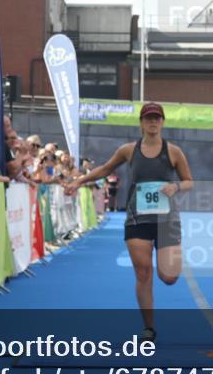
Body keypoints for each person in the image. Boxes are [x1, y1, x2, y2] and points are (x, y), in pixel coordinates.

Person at [65, 102, 193, 342]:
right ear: (141, 123)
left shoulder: (173, 152)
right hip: (137, 219)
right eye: (148, 118)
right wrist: (78, 181)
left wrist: (175, 186)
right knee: (143, 273)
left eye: (156, 118)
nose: (152, 122)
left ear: (163, 122)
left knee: (169, 277)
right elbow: (105, 169)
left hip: (167, 221)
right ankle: (148, 328)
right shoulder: (128, 150)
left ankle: (167, 257)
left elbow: (189, 181)